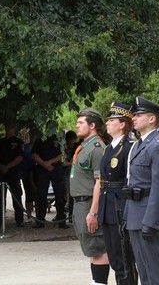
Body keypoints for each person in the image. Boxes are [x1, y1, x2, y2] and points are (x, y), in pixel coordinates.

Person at [125, 96, 159, 285]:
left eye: (138, 115)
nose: (134, 118)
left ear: (152, 118)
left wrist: (151, 221)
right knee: (144, 272)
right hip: (135, 215)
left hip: (148, 217)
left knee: (154, 273)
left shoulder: (158, 145)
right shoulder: (138, 144)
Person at [99, 102, 137, 285]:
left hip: (120, 207)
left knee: (125, 259)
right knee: (115, 258)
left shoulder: (130, 147)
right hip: (108, 208)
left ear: (122, 124)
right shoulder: (108, 148)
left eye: (111, 120)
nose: (107, 123)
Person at [71, 108, 109, 285]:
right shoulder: (85, 146)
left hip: (88, 203)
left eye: (81, 123)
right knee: (91, 248)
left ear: (92, 125)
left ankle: (100, 283)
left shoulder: (97, 148)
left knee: (98, 247)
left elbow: (99, 183)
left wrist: (93, 212)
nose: (77, 126)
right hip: (80, 203)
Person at [31, 121, 67, 229]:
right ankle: (40, 220)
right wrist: (44, 164)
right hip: (42, 169)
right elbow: (34, 154)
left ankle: (61, 220)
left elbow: (62, 154)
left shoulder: (59, 138)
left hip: (56, 168)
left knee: (60, 195)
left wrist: (49, 162)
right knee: (41, 195)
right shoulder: (41, 138)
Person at [0, 124, 25, 227]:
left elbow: (20, 157)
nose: (9, 129)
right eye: (7, 127)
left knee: (16, 196)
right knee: (0, 197)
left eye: (11, 127)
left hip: (13, 173)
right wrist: (1, 166)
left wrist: (8, 166)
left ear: (14, 129)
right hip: (1, 173)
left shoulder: (18, 142)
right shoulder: (0, 142)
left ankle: (19, 220)